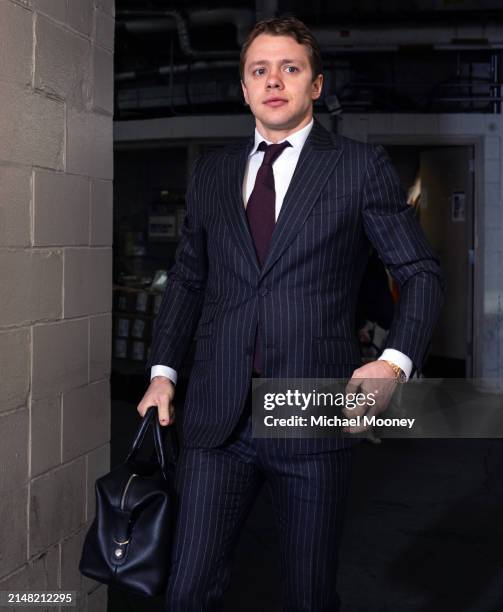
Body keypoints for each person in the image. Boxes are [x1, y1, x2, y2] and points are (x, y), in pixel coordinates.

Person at [137, 16, 443, 611]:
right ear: (245, 88)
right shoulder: (214, 173)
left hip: (309, 410)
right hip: (215, 417)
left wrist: (393, 365)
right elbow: (189, 281)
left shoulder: (358, 166)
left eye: (290, 68)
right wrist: (162, 374)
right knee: (187, 591)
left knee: (307, 594)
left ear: (316, 86)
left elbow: (420, 273)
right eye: (260, 70)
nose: (274, 80)